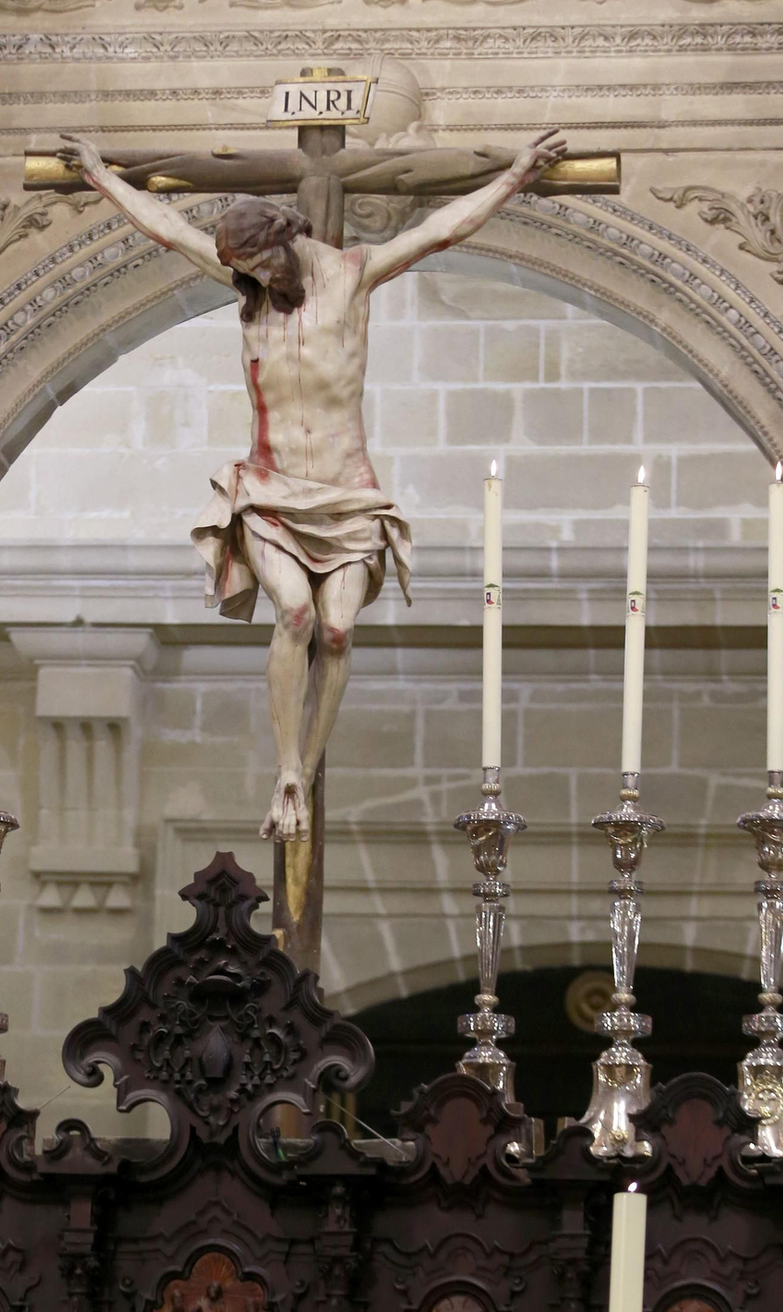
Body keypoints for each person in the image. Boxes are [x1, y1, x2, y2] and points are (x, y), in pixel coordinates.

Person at [61, 126, 565, 841]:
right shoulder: (248, 281)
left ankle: (305, 768)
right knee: (293, 613)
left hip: (347, 493)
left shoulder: (354, 272)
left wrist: (513, 177)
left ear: (285, 242)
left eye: (262, 267)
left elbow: (440, 231)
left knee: (335, 628)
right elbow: (170, 229)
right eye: (244, 273)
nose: (255, 284)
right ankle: (287, 770)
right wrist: (101, 178)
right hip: (269, 489)